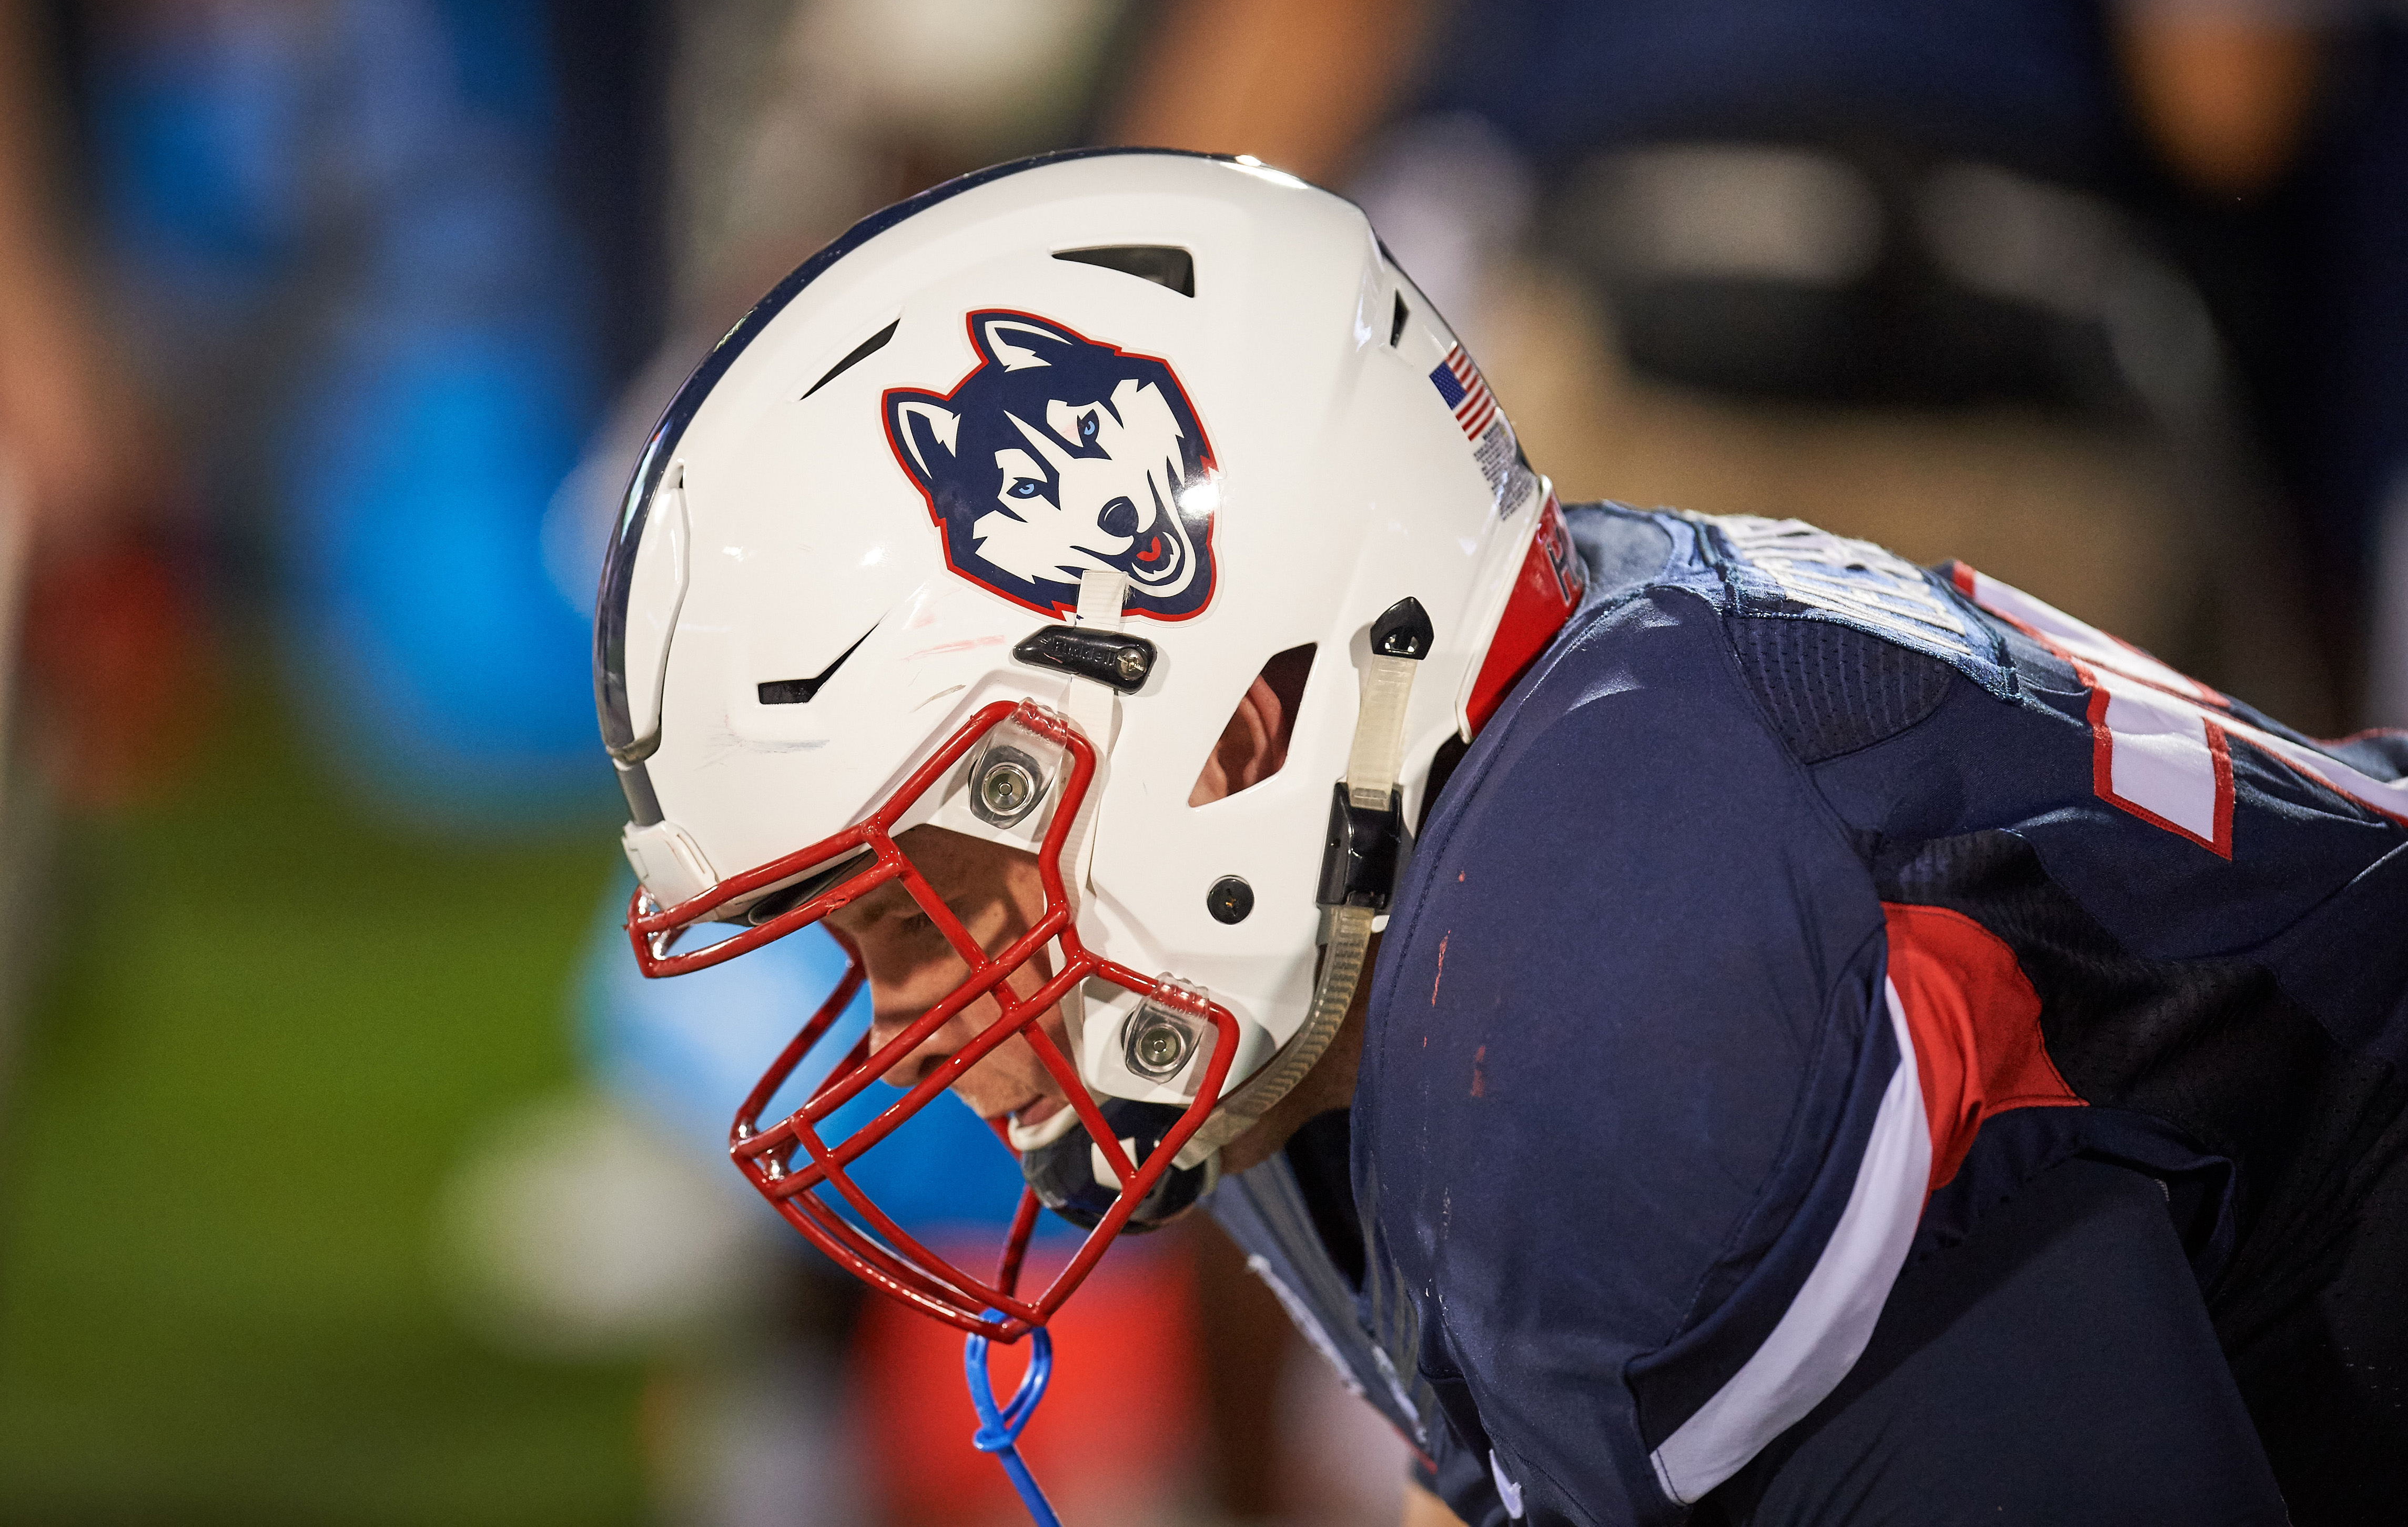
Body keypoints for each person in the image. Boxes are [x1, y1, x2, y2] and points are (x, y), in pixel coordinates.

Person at [597, 150, 2408, 1525]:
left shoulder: (1603, 983)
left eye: (929, 898)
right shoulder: (1396, 902)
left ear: (1229, 718)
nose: (912, 1007)